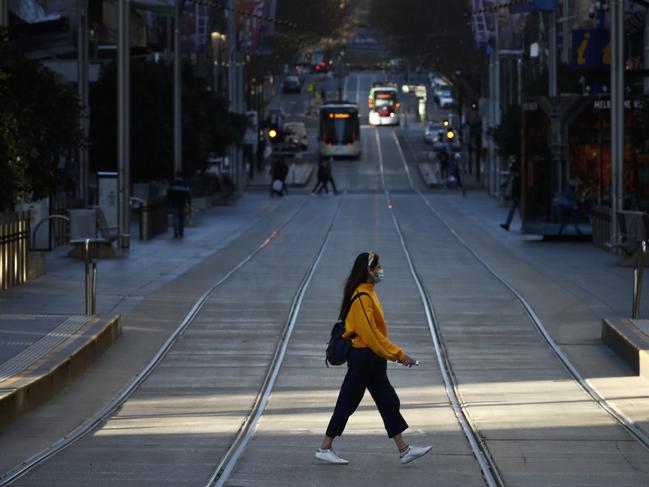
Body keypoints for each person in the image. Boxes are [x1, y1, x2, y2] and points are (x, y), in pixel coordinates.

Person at [316, 251, 432, 465]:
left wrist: (391, 355)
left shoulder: (368, 292)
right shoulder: (362, 297)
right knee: (348, 402)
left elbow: (375, 334)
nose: (380, 271)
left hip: (372, 358)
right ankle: (325, 447)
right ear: (368, 271)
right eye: (377, 268)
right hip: (363, 357)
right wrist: (399, 355)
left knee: (387, 400)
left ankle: (404, 449)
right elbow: (372, 335)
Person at [167, 171, 191, 238]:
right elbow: (188, 194)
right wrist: (189, 202)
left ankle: (176, 232)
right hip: (182, 202)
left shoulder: (172, 183)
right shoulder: (185, 183)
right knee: (181, 217)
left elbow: (169, 193)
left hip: (174, 202)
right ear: (182, 176)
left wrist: (168, 202)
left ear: (176, 175)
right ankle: (181, 232)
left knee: (175, 216)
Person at [500, 158, 521, 231]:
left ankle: (522, 225)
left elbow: (518, 189)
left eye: (512, 172)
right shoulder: (515, 178)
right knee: (511, 211)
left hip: (519, 197)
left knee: (521, 213)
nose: (511, 173)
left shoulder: (519, 179)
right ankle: (507, 225)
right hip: (515, 197)